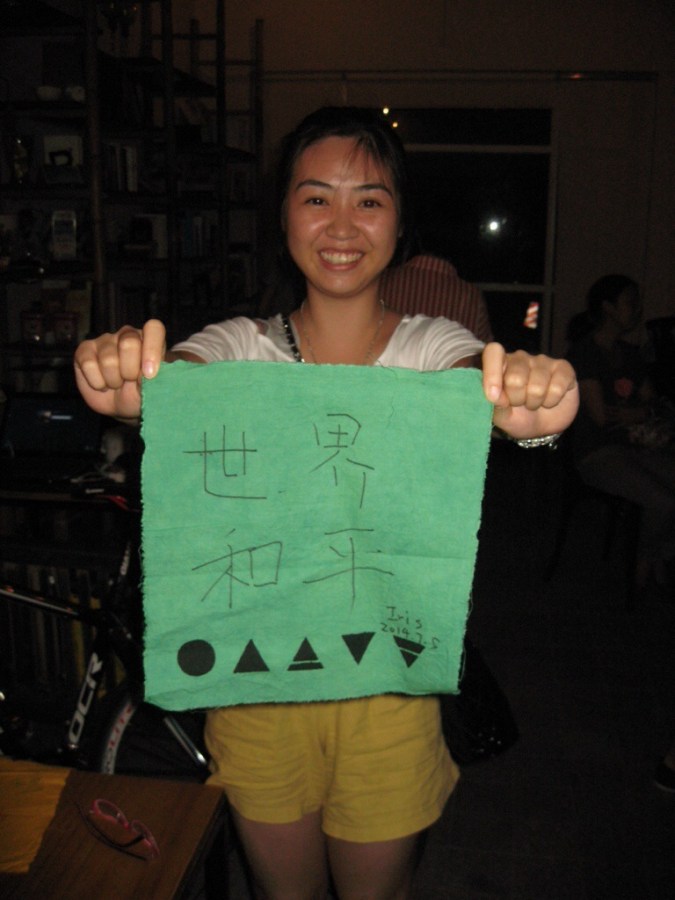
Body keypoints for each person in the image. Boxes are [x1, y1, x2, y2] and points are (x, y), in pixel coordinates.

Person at [74, 107, 578, 900]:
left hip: (389, 689)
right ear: (283, 217)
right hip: (254, 687)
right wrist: (129, 383)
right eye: (316, 198)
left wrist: (532, 408)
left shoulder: (429, 347)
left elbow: (482, 388)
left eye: (369, 200)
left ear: (399, 223)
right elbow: (175, 380)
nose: (342, 225)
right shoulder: (240, 345)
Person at [567, 274, 675, 593]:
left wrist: (639, 413)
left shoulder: (629, 353)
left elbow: (650, 400)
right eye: (630, 302)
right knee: (663, 502)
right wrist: (638, 411)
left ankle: (657, 554)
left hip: (634, 446)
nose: (637, 309)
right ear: (609, 308)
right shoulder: (585, 353)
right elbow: (601, 417)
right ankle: (645, 562)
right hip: (597, 453)